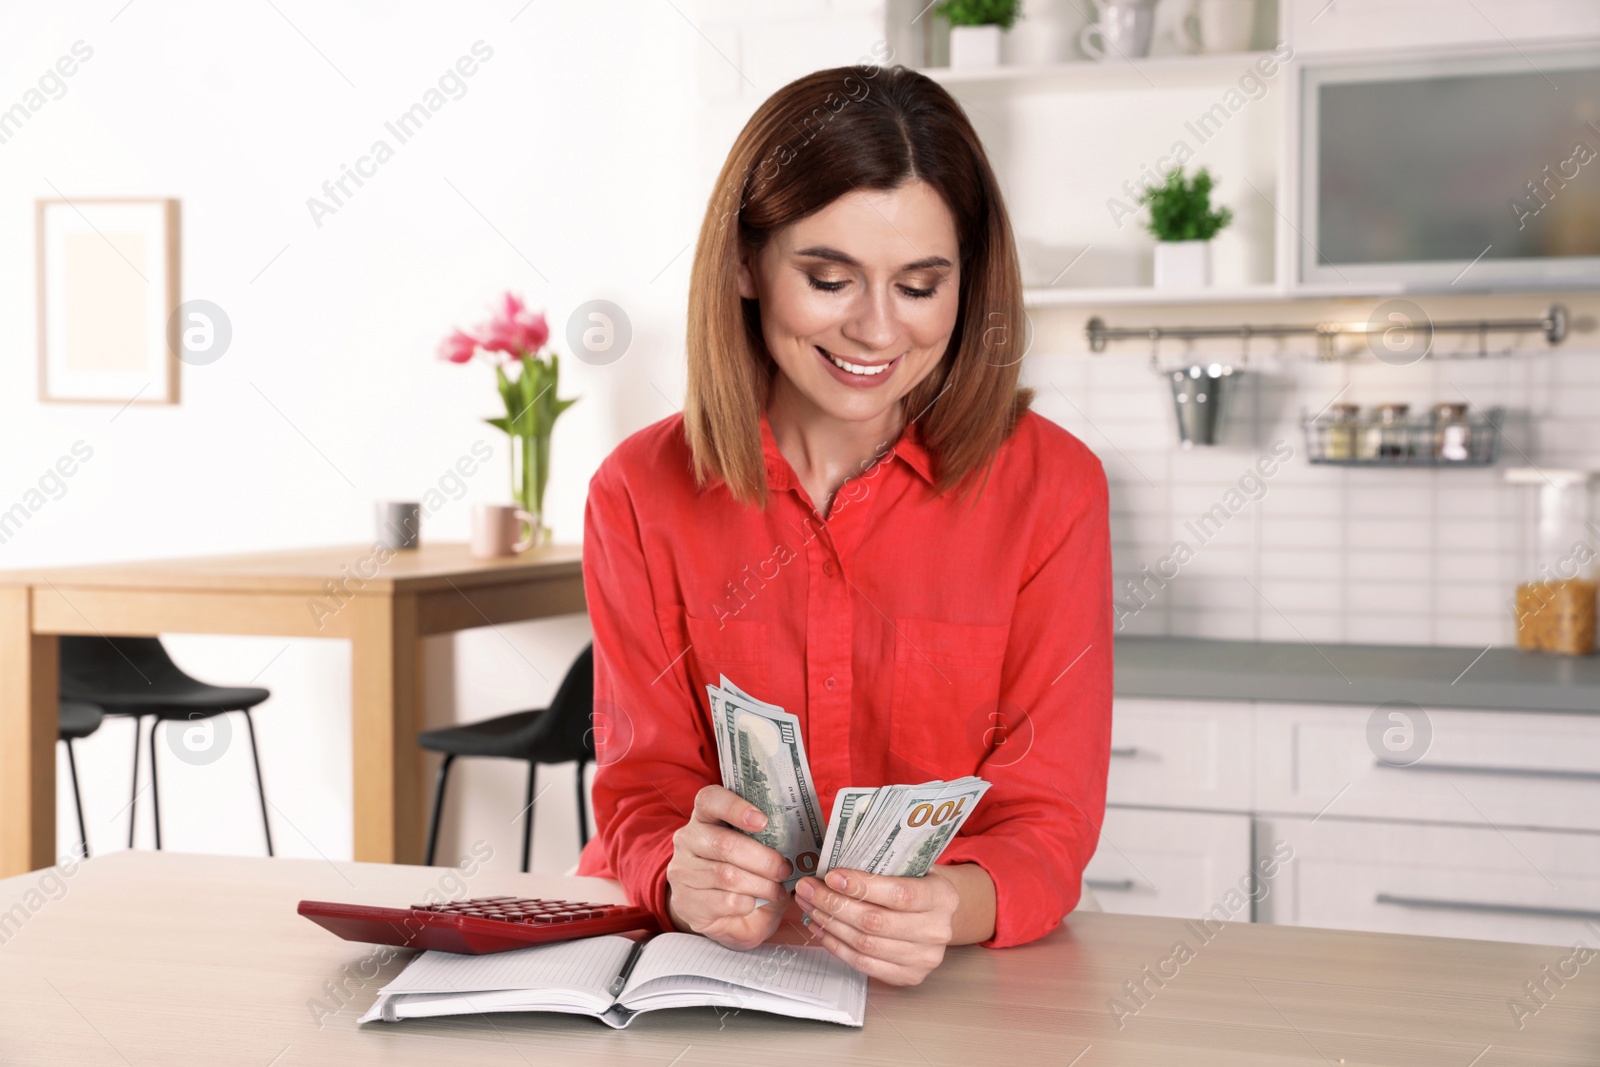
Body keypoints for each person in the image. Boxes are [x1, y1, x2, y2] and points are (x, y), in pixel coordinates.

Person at [574, 62, 1111, 986]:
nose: (875, 330)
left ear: (967, 284)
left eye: (919, 284)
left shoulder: (1053, 488)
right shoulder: (639, 491)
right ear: (746, 262)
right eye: (829, 278)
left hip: (940, 991)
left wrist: (946, 906)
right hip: (687, 981)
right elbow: (642, 791)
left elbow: (1046, 818)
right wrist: (680, 871)